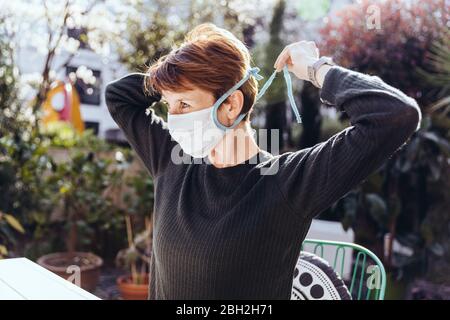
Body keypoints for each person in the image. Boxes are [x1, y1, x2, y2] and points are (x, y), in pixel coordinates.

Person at [105, 23, 421, 300]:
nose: (173, 120)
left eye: (185, 104)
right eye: (168, 105)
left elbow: (395, 115)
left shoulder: (286, 183)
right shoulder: (171, 161)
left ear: (230, 104)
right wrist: (172, 77)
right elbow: (119, 97)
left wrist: (314, 69)